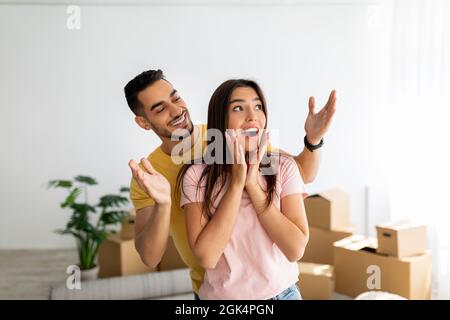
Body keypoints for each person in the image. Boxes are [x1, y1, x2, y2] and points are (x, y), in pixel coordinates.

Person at [124, 69, 336, 297]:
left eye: (176, 98)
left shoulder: (230, 135)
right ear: (143, 122)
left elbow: (300, 172)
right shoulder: (152, 174)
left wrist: (312, 141)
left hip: (275, 287)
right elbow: (150, 257)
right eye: (160, 108)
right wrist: (163, 205)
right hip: (215, 288)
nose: (176, 110)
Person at [178, 79, 309, 300]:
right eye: (238, 108)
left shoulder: (284, 167)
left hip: (282, 295)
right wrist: (237, 184)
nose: (252, 116)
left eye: (258, 106)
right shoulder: (196, 175)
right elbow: (207, 257)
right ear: (220, 120)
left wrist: (253, 186)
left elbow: (295, 249)